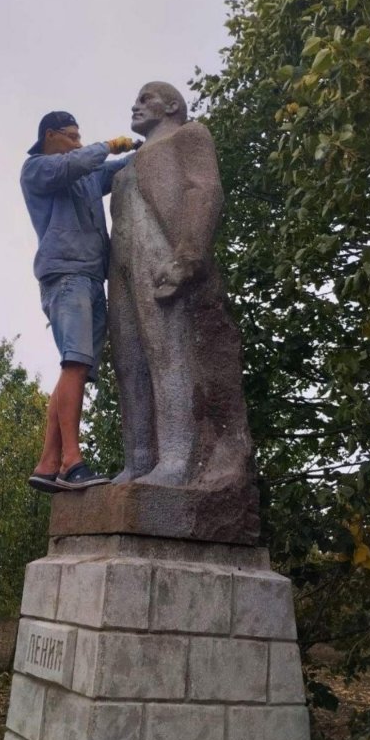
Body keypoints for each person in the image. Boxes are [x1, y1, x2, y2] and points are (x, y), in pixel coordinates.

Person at [109, 82, 257, 508]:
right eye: (135, 99)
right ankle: (138, 459)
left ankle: (177, 457)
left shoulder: (189, 135)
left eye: (146, 98)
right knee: (129, 360)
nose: (135, 106)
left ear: (172, 105)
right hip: (120, 260)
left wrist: (188, 255)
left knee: (167, 353)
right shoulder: (127, 163)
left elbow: (204, 189)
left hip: (162, 250)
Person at [21, 111, 136, 492]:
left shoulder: (85, 173)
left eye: (80, 136)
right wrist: (107, 145)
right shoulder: (37, 169)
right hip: (65, 276)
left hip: (91, 277)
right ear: (50, 135)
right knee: (74, 362)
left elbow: (117, 170)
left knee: (77, 369)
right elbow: (81, 161)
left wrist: (151, 148)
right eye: (71, 136)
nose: (78, 142)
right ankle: (73, 461)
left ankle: (48, 462)